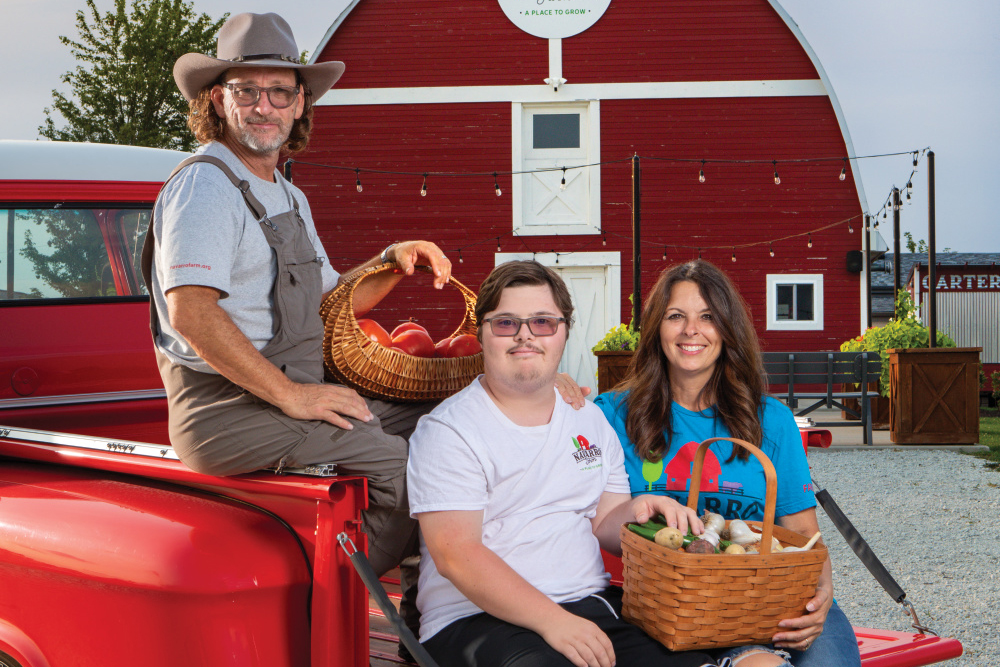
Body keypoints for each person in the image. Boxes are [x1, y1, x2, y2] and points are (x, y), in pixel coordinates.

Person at [408, 260, 785, 667]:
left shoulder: (587, 418)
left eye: (543, 323)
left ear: (565, 330)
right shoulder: (450, 429)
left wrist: (641, 510)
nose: (524, 336)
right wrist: (553, 621)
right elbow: (456, 554)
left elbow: (605, 521)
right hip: (474, 618)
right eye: (505, 323)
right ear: (481, 332)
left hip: (587, 604)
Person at [594, 260, 863, 667]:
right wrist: (558, 387)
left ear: (728, 329)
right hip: (667, 609)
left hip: (769, 602)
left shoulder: (771, 420)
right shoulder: (613, 414)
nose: (691, 330)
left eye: (708, 317)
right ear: (655, 329)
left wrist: (822, 596)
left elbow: (805, 536)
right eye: (675, 317)